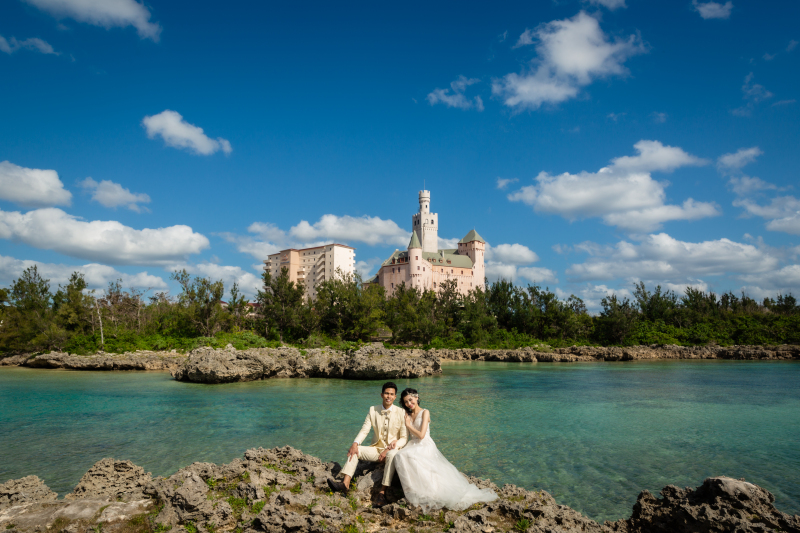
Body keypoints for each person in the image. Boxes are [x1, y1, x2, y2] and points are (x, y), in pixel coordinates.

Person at [393, 388, 497, 512]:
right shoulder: (408, 415)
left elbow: (421, 435)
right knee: (400, 455)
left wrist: (409, 425)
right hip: (412, 444)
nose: (409, 403)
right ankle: (412, 490)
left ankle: (424, 491)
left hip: (424, 444)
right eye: (406, 402)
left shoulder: (425, 412)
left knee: (404, 455)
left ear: (416, 397)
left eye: (411, 400)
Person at [327, 382, 408, 507]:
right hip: (376, 449)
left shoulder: (401, 412)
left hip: (392, 451)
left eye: (392, 394)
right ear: (381, 395)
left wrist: (391, 447)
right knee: (356, 450)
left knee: (391, 455)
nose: (389, 396)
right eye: (386, 393)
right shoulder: (372, 410)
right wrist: (355, 443)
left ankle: (382, 494)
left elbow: (404, 438)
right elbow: (365, 430)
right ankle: (345, 484)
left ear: (395, 397)